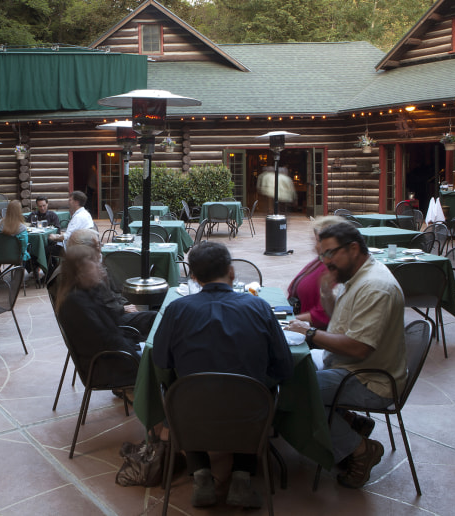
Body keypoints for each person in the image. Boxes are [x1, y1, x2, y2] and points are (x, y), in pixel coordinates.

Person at [152, 241, 294, 509]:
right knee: (256, 387)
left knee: (180, 386)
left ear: (193, 277)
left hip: (190, 416)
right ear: (231, 272)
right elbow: (284, 367)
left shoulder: (176, 310)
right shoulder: (260, 307)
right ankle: (241, 476)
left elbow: (160, 360)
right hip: (250, 415)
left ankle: (202, 474)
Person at [287, 222, 407, 489]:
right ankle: (350, 421)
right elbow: (337, 322)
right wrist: (326, 294)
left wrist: (309, 333)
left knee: (295, 391)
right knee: (291, 370)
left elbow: (358, 348)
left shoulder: (374, 286)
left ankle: (361, 450)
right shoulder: (356, 275)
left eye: (330, 253)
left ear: (354, 248)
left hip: (370, 379)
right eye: (321, 255)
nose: (325, 261)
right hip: (344, 364)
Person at [54, 240, 141, 388]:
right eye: (95, 263)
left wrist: (104, 286)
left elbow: (115, 323)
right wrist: (138, 356)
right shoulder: (75, 303)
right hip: (104, 367)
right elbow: (105, 339)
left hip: (115, 355)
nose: (100, 267)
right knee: (162, 362)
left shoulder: (89, 291)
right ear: (81, 271)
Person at [58, 228, 157, 337]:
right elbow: (99, 311)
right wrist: (123, 308)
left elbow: (115, 292)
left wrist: (126, 304)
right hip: (113, 321)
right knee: (156, 318)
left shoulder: (94, 266)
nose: (100, 248)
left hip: (114, 316)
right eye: (97, 245)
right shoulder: (81, 278)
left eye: (99, 244)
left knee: (158, 316)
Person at [287, 215, 348, 330]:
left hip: (312, 332)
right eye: (316, 240)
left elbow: (323, 316)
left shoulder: (334, 269)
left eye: (319, 241)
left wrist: (290, 321)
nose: (316, 246)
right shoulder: (320, 261)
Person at [46, 191, 94, 278]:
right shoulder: (85, 214)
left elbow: (66, 237)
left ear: (76, 202)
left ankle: (50, 276)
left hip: (74, 248)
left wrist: (54, 237)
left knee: (46, 249)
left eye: (70, 200)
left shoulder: (78, 217)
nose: (68, 202)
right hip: (84, 245)